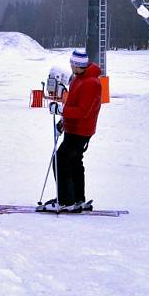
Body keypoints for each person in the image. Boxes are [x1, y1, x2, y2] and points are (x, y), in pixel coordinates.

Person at [38, 50, 102, 213]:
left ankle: (66, 201)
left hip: (81, 130)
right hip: (73, 128)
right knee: (74, 162)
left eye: (73, 63)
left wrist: (60, 110)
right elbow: (72, 104)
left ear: (79, 65)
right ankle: (77, 199)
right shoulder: (77, 79)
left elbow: (83, 111)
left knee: (60, 160)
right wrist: (63, 122)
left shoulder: (91, 83)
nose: (71, 65)